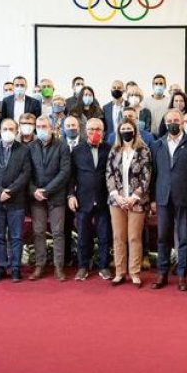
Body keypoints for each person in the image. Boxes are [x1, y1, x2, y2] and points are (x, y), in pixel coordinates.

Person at [150, 109, 187, 291]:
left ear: (182, 122)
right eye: (169, 120)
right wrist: (152, 198)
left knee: (184, 237)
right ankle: (162, 273)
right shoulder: (157, 145)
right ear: (165, 123)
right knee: (162, 237)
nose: (173, 123)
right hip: (162, 198)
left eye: (176, 120)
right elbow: (154, 174)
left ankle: (182, 274)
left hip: (185, 198)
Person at [0, 119, 32, 282]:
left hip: (16, 200)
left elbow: (25, 174)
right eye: (5, 128)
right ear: (0, 130)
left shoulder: (24, 150)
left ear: (17, 131)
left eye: (11, 129)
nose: (8, 131)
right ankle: (1, 266)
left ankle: (16, 267)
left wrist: (10, 191)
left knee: (16, 236)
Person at [107, 118, 152, 287]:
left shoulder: (143, 150)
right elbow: (109, 174)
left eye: (129, 128)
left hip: (137, 201)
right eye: (123, 128)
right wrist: (117, 196)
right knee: (119, 237)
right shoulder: (114, 150)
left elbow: (146, 176)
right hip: (116, 201)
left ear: (134, 131)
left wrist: (134, 197)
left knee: (134, 237)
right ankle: (119, 272)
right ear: (119, 131)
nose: (126, 131)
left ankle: (134, 272)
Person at [28, 115, 71, 280]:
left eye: (44, 126)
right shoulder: (31, 147)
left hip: (56, 196)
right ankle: (40, 265)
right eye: (38, 127)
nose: (41, 129)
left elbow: (65, 172)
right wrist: (33, 190)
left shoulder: (62, 147)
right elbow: (27, 172)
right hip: (36, 197)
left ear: (52, 128)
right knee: (38, 232)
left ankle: (58, 266)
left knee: (58, 232)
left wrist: (47, 190)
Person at [70, 118, 113, 280]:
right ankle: (82, 266)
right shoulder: (77, 150)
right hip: (82, 199)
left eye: (98, 129)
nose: (94, 132)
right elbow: (71, 176)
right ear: (85, 131)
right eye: (91, 129)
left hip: (104, 199)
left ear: (103, 132)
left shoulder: (109, 149)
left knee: (104, 235)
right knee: (83, 235)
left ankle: (104, 266)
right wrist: (71, 195)